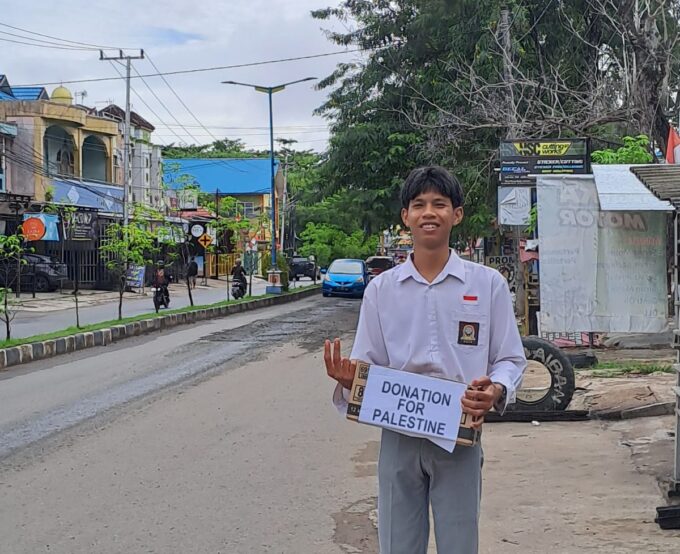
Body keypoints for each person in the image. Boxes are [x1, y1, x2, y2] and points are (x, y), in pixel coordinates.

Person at [323, 166, 526, 554]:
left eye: (439, 204)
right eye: (419, 205)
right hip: (399, 435)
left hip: (460, 434)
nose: (428, 213)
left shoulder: (487, 285)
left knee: (459, 544)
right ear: (405, 217)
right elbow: (369, 364)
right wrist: (351, 380)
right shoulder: (382, 290)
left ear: (457, 214)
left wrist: (497, 388)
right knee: (398, 544)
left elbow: (510, 358)